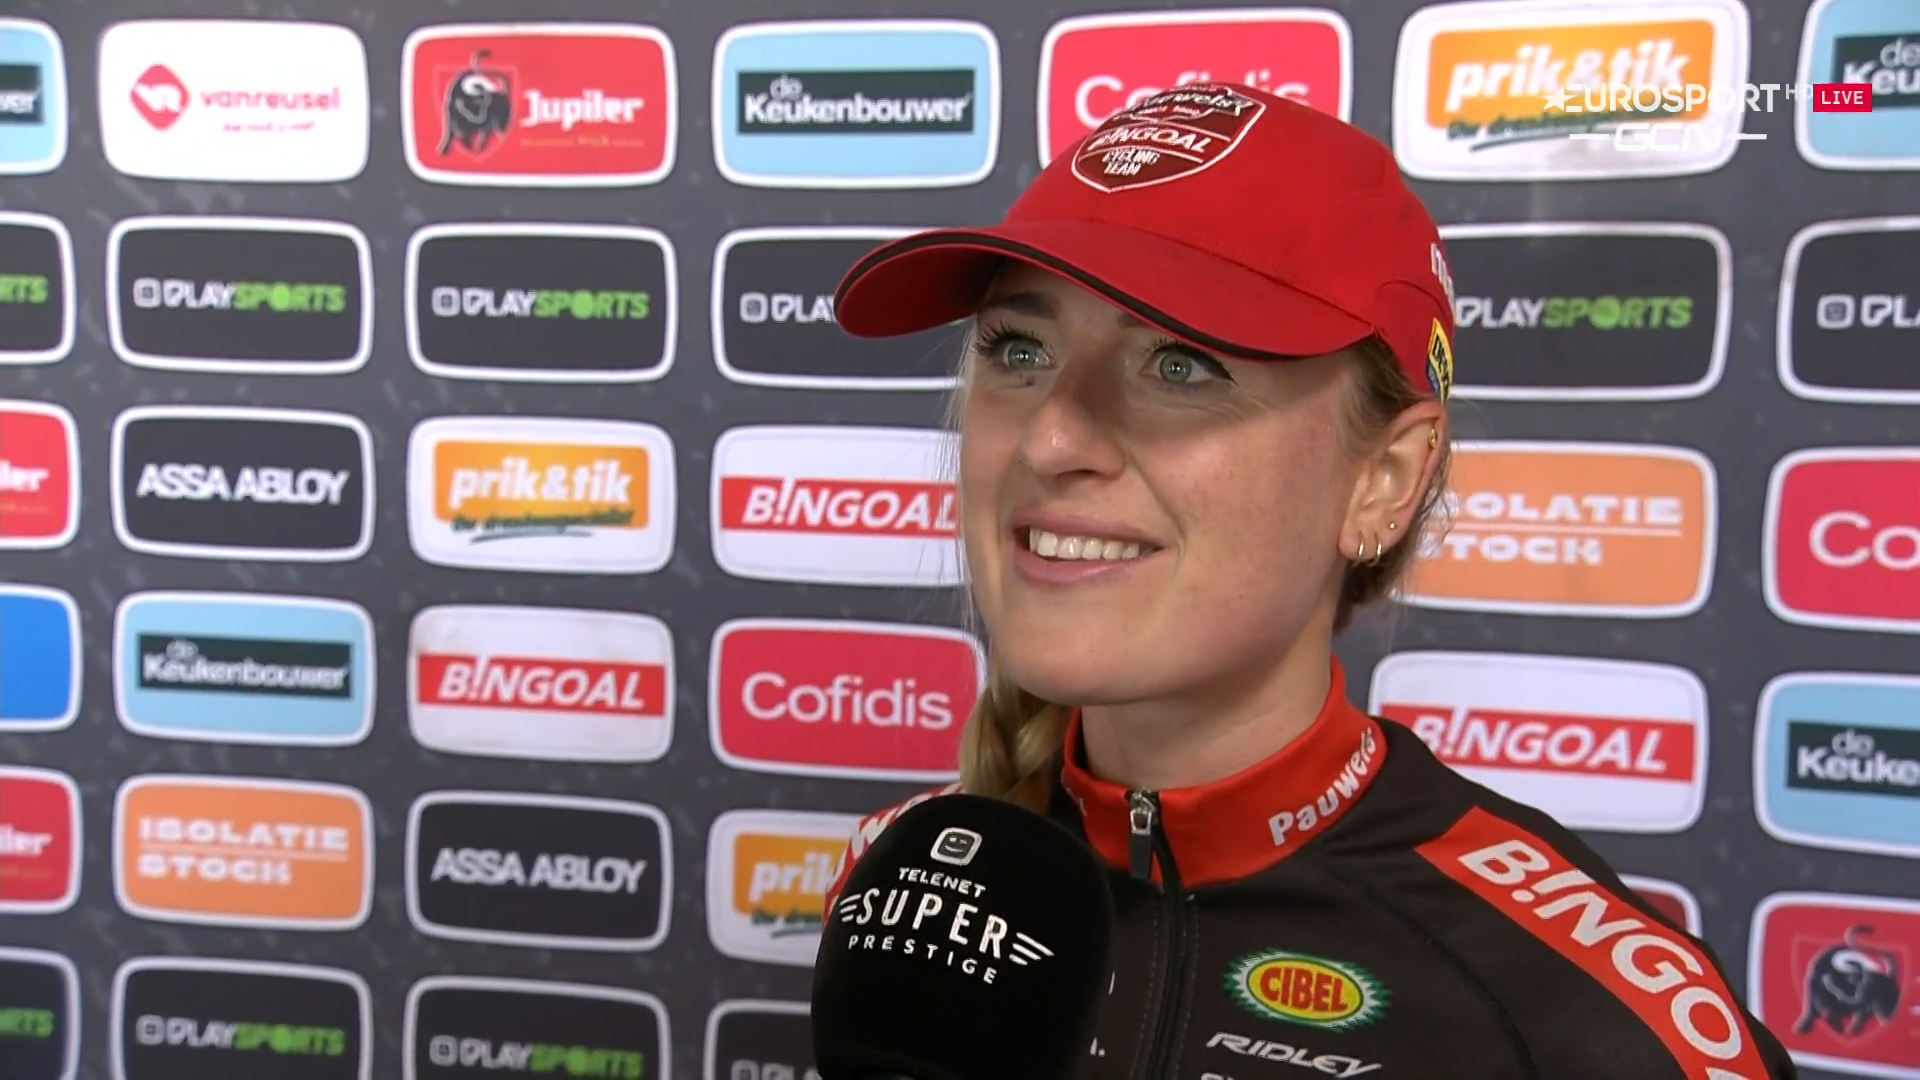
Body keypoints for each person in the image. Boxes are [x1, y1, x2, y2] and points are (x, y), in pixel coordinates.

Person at [821, 82, 1796, 1079]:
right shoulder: (904, 891)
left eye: (1181, 366)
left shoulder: (1587, 1022)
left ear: (1385, 480)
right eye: (1019, 349)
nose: (1051, 439)